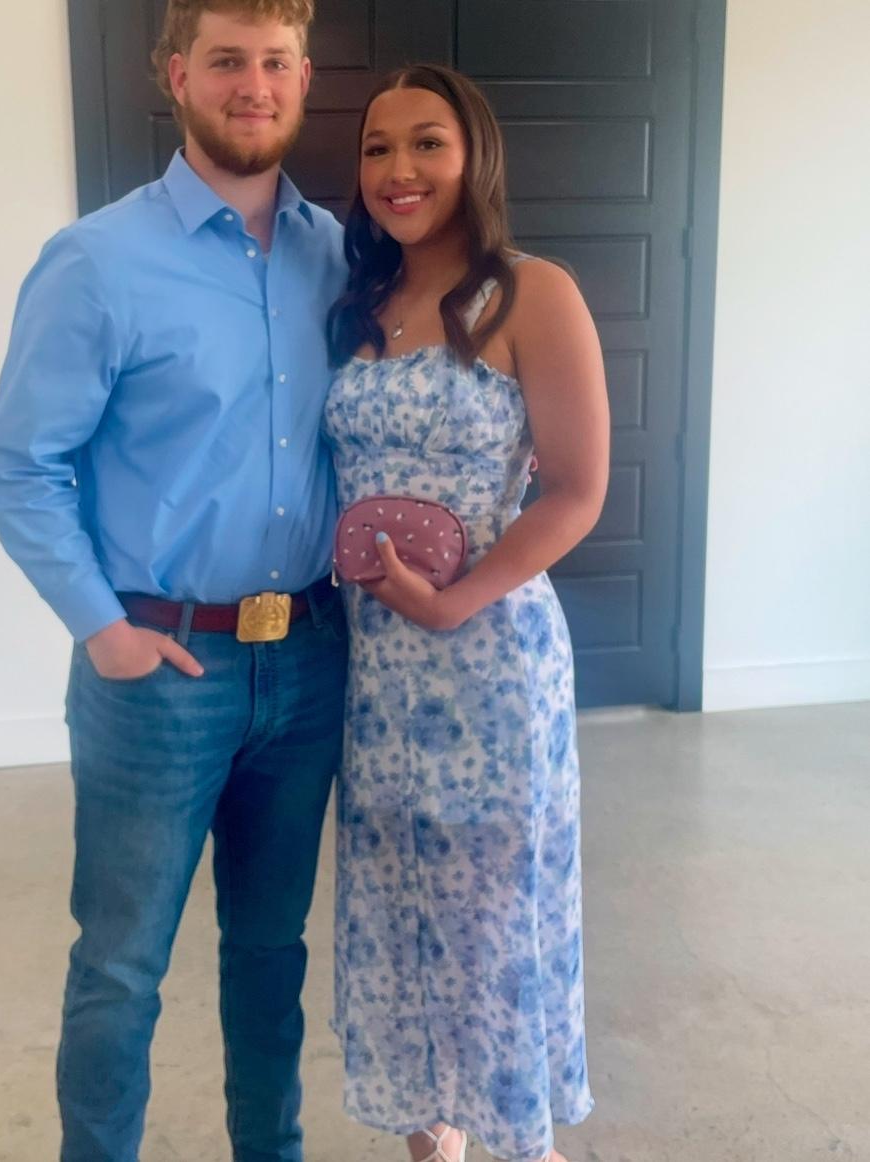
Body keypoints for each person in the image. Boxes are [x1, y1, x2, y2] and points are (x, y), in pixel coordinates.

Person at [0, 3, 347, 1159]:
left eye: (275, 62)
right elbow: (19, 466)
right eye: (227, 61)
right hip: (159, 673)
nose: (253, 85)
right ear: (175, 75)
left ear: (303, 77)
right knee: (120, 965)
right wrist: (103, 630)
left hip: (308, 662)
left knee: (271, 953)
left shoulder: (338, 256)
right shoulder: (98, 261)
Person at [324, 65, 610, 1162]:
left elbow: (577, 491)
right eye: (378, 148)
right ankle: (432, 1144)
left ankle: (522, 1145)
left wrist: (452, 605)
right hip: (375, 673)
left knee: (490, 923)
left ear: (474, 153)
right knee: (399, 915)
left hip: (488, 664)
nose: (399, 170)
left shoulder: (531, 293)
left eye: (427, 143)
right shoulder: (359, 303)